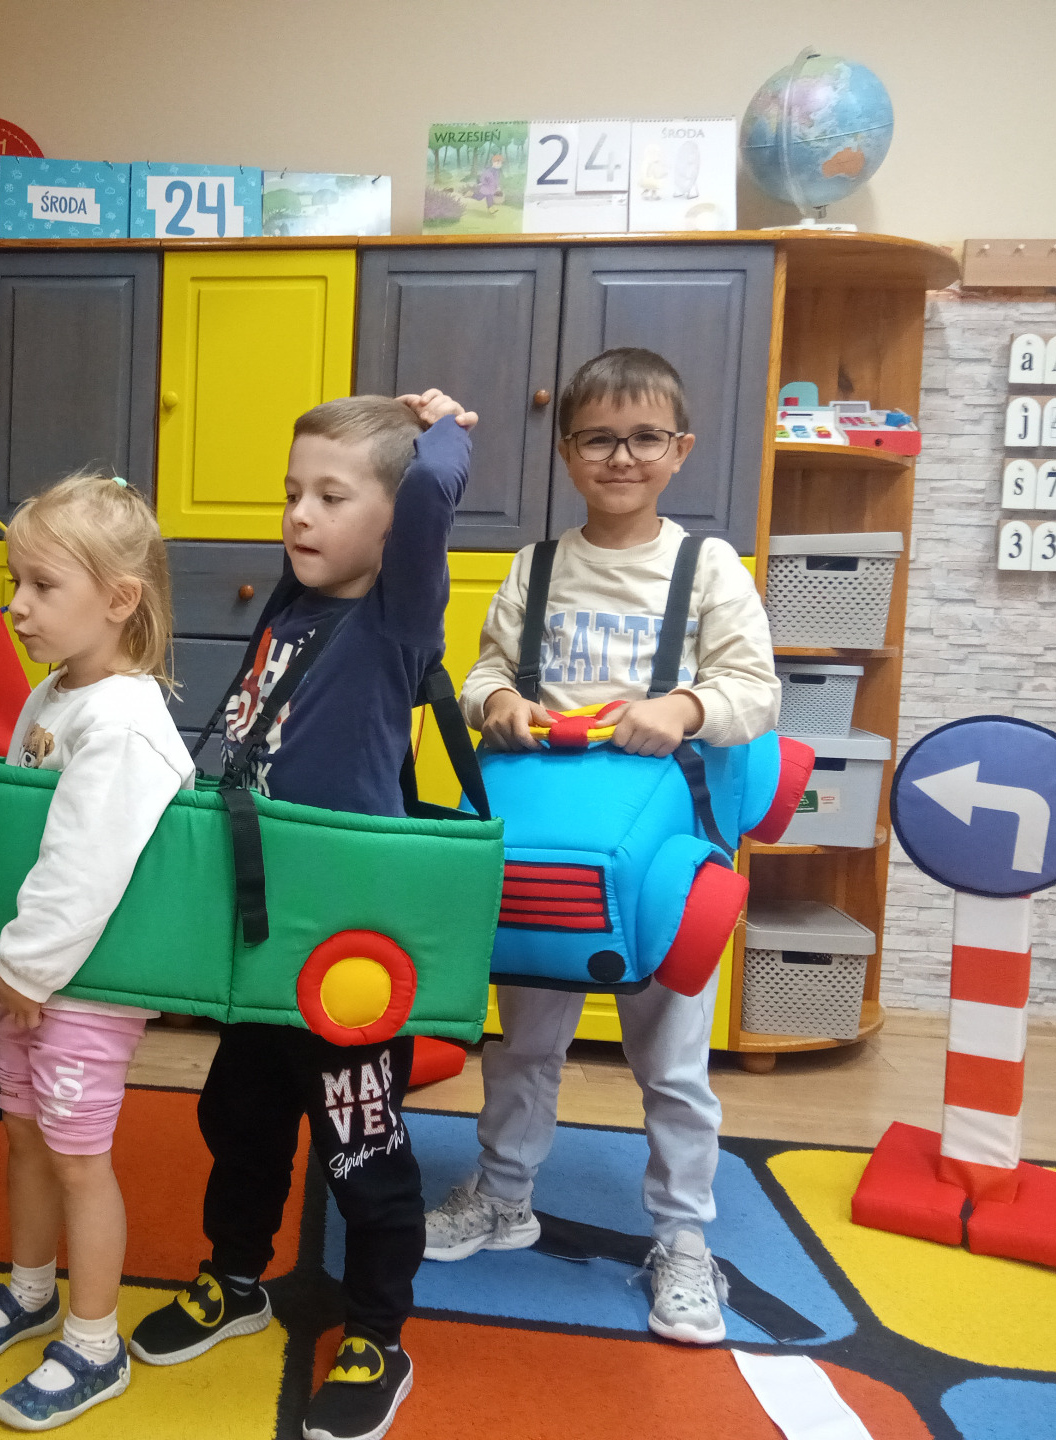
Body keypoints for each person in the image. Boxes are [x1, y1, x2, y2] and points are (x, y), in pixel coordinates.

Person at [129, 390, 476, 1440]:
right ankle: (235, 1278)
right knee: (239, 1118)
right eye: (293, 493)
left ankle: (376, 1333)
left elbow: (431, 493)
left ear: (393, 521)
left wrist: (443, 428)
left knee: (363, 1150)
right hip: (263, 938)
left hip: (344, 952)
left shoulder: (395, 620)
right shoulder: (293, 602)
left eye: (332, 496)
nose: (300, 515)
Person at [425, 347, 780, 1346]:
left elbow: (756, 691)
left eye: (645, 439)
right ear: (567, 451)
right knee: (523, 1043)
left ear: (681, 450)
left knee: (672, 1064)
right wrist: (497, 701)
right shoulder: (534, 567)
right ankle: (504, 1194)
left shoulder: (708, 568)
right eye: (598, 440)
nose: (622, 458)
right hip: (547, 851)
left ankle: (684, 1240)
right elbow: (482, 673)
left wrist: (686, 705)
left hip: (667, 859)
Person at [0, 470, 194, 1430]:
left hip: (81, 982)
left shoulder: (123, 722)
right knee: (24, 1134)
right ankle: (33, 1289)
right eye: (18, 582)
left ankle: (94, 1343)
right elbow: (26, 837)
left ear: (119, 600)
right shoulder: (54, 695)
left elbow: (86, 864)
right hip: (35, 975)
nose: (17, 604)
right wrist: (18, 967)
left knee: (79, 1157)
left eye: (43, 585)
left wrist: (26, 969)